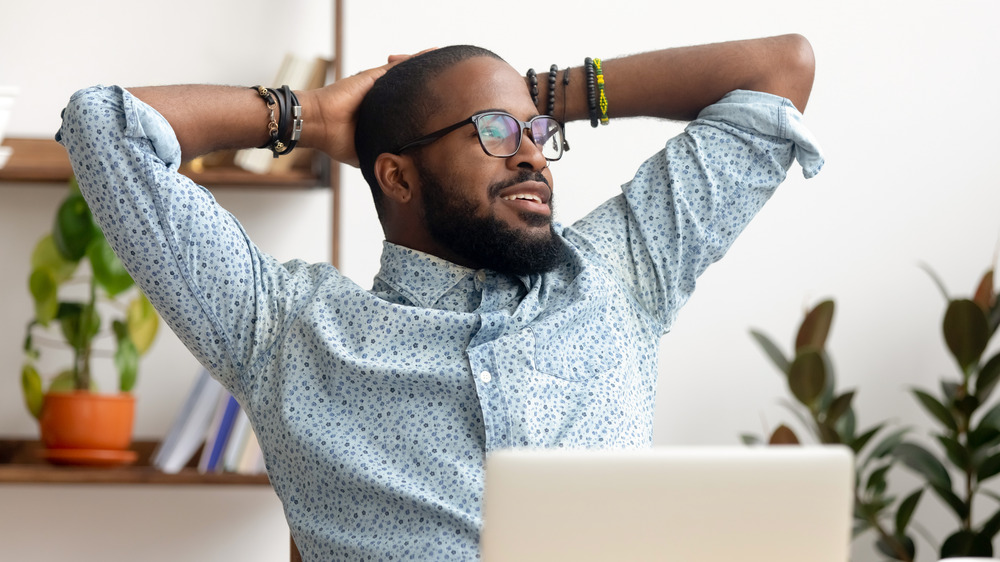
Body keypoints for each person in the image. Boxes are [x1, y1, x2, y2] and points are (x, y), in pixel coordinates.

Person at [56, 34, 823, 560]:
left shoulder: (618, 273)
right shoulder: (285, 329)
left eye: (538, 131)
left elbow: (781, 70)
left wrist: (543, 92)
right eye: (494, 129)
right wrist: (315, 116)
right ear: (396, 176)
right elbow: (103, 125)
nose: (532, 153)